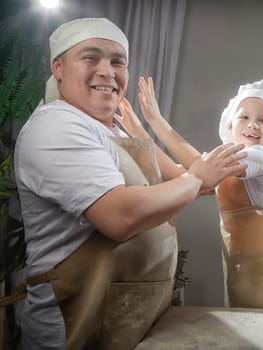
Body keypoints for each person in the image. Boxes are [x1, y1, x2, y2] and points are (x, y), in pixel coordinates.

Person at [13, 17, 247, 350]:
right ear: (59, 68)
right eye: (91, 57)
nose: (107, 71)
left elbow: (189, 182)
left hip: (131, 318)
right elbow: (119, 217)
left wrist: (161, 132)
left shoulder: (113, 131)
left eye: (117, 61)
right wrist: (197, 178)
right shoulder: (56, 126)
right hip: (75, 326)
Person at [118, 77, 263, 308]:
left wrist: (156, 121)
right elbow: (175, 172)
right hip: (240, 259)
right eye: (244, 117)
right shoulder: (224, 156)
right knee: (242, 317)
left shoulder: (261, 158)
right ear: (230, 126)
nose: (253, 124)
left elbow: (201, 167)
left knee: (262, 323)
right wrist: (139, 132)